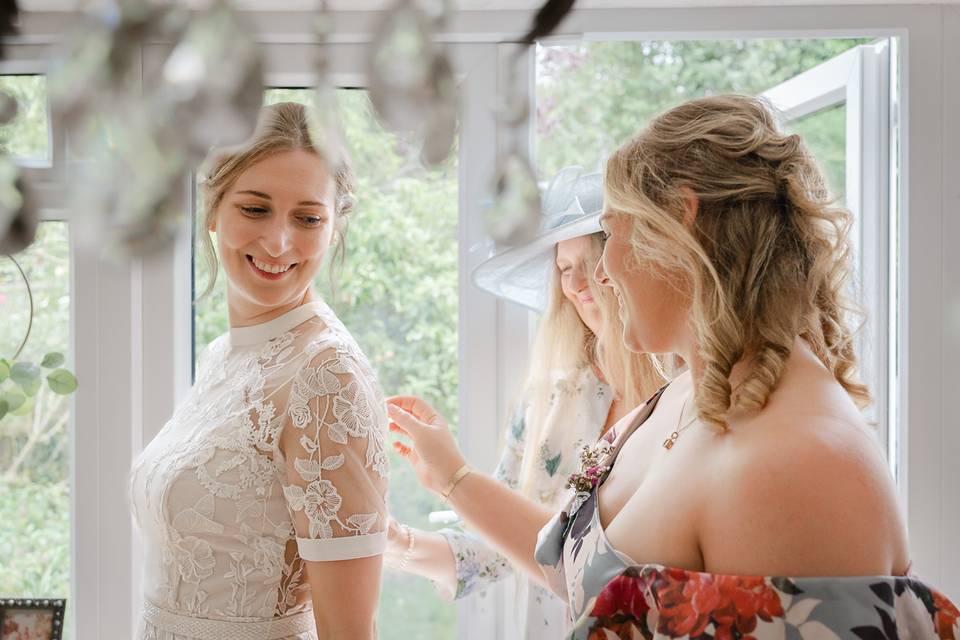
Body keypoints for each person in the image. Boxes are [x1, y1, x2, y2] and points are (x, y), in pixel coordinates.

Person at [387, 95, 960, 638]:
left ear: (681, 222)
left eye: (611, 233)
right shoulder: (686, 392)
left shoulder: (798, 466)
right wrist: (452, 479)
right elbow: (579, 573)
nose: (603, 270)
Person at [129, 102, 388, 640]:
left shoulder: (325, 376)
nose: (277, 242)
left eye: (307, 218)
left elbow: (349, 632)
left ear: (335, 228)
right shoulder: (225, 355)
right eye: (255, 209)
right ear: (212, 210)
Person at [382, 167, 664, 638]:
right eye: (563, 269)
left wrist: (455, 478)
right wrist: (396, 543)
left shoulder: (685, 400)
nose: (575, 285)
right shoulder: (548, 401)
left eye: (593, 260)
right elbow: (497, 549)